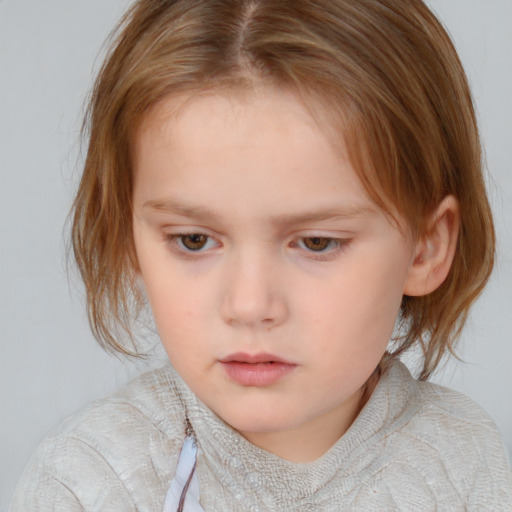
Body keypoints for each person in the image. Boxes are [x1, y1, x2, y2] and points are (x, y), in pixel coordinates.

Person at [9, 0, 512, 510]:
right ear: (127, 235)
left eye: (316, 242)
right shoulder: (87, 484)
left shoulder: (461, 463)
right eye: (194, 240)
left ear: (426, 247)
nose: (249, 305)